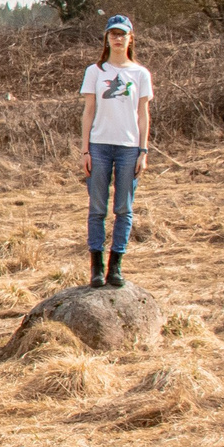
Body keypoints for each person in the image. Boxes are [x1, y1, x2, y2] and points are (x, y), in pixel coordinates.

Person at [76, 16, 153, 287]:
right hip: (99, 146)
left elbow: (143, 114)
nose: (118, 39)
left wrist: (143, 150)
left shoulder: (140, 74)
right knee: (97, 208)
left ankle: (115, 265)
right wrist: (85, 149)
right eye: (113, 34)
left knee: (124, 208)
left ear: (130, 38)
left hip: (129, 148)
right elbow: (88, 111)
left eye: (123, 34)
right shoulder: (95, 71)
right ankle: (96, 266)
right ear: (106, 38)